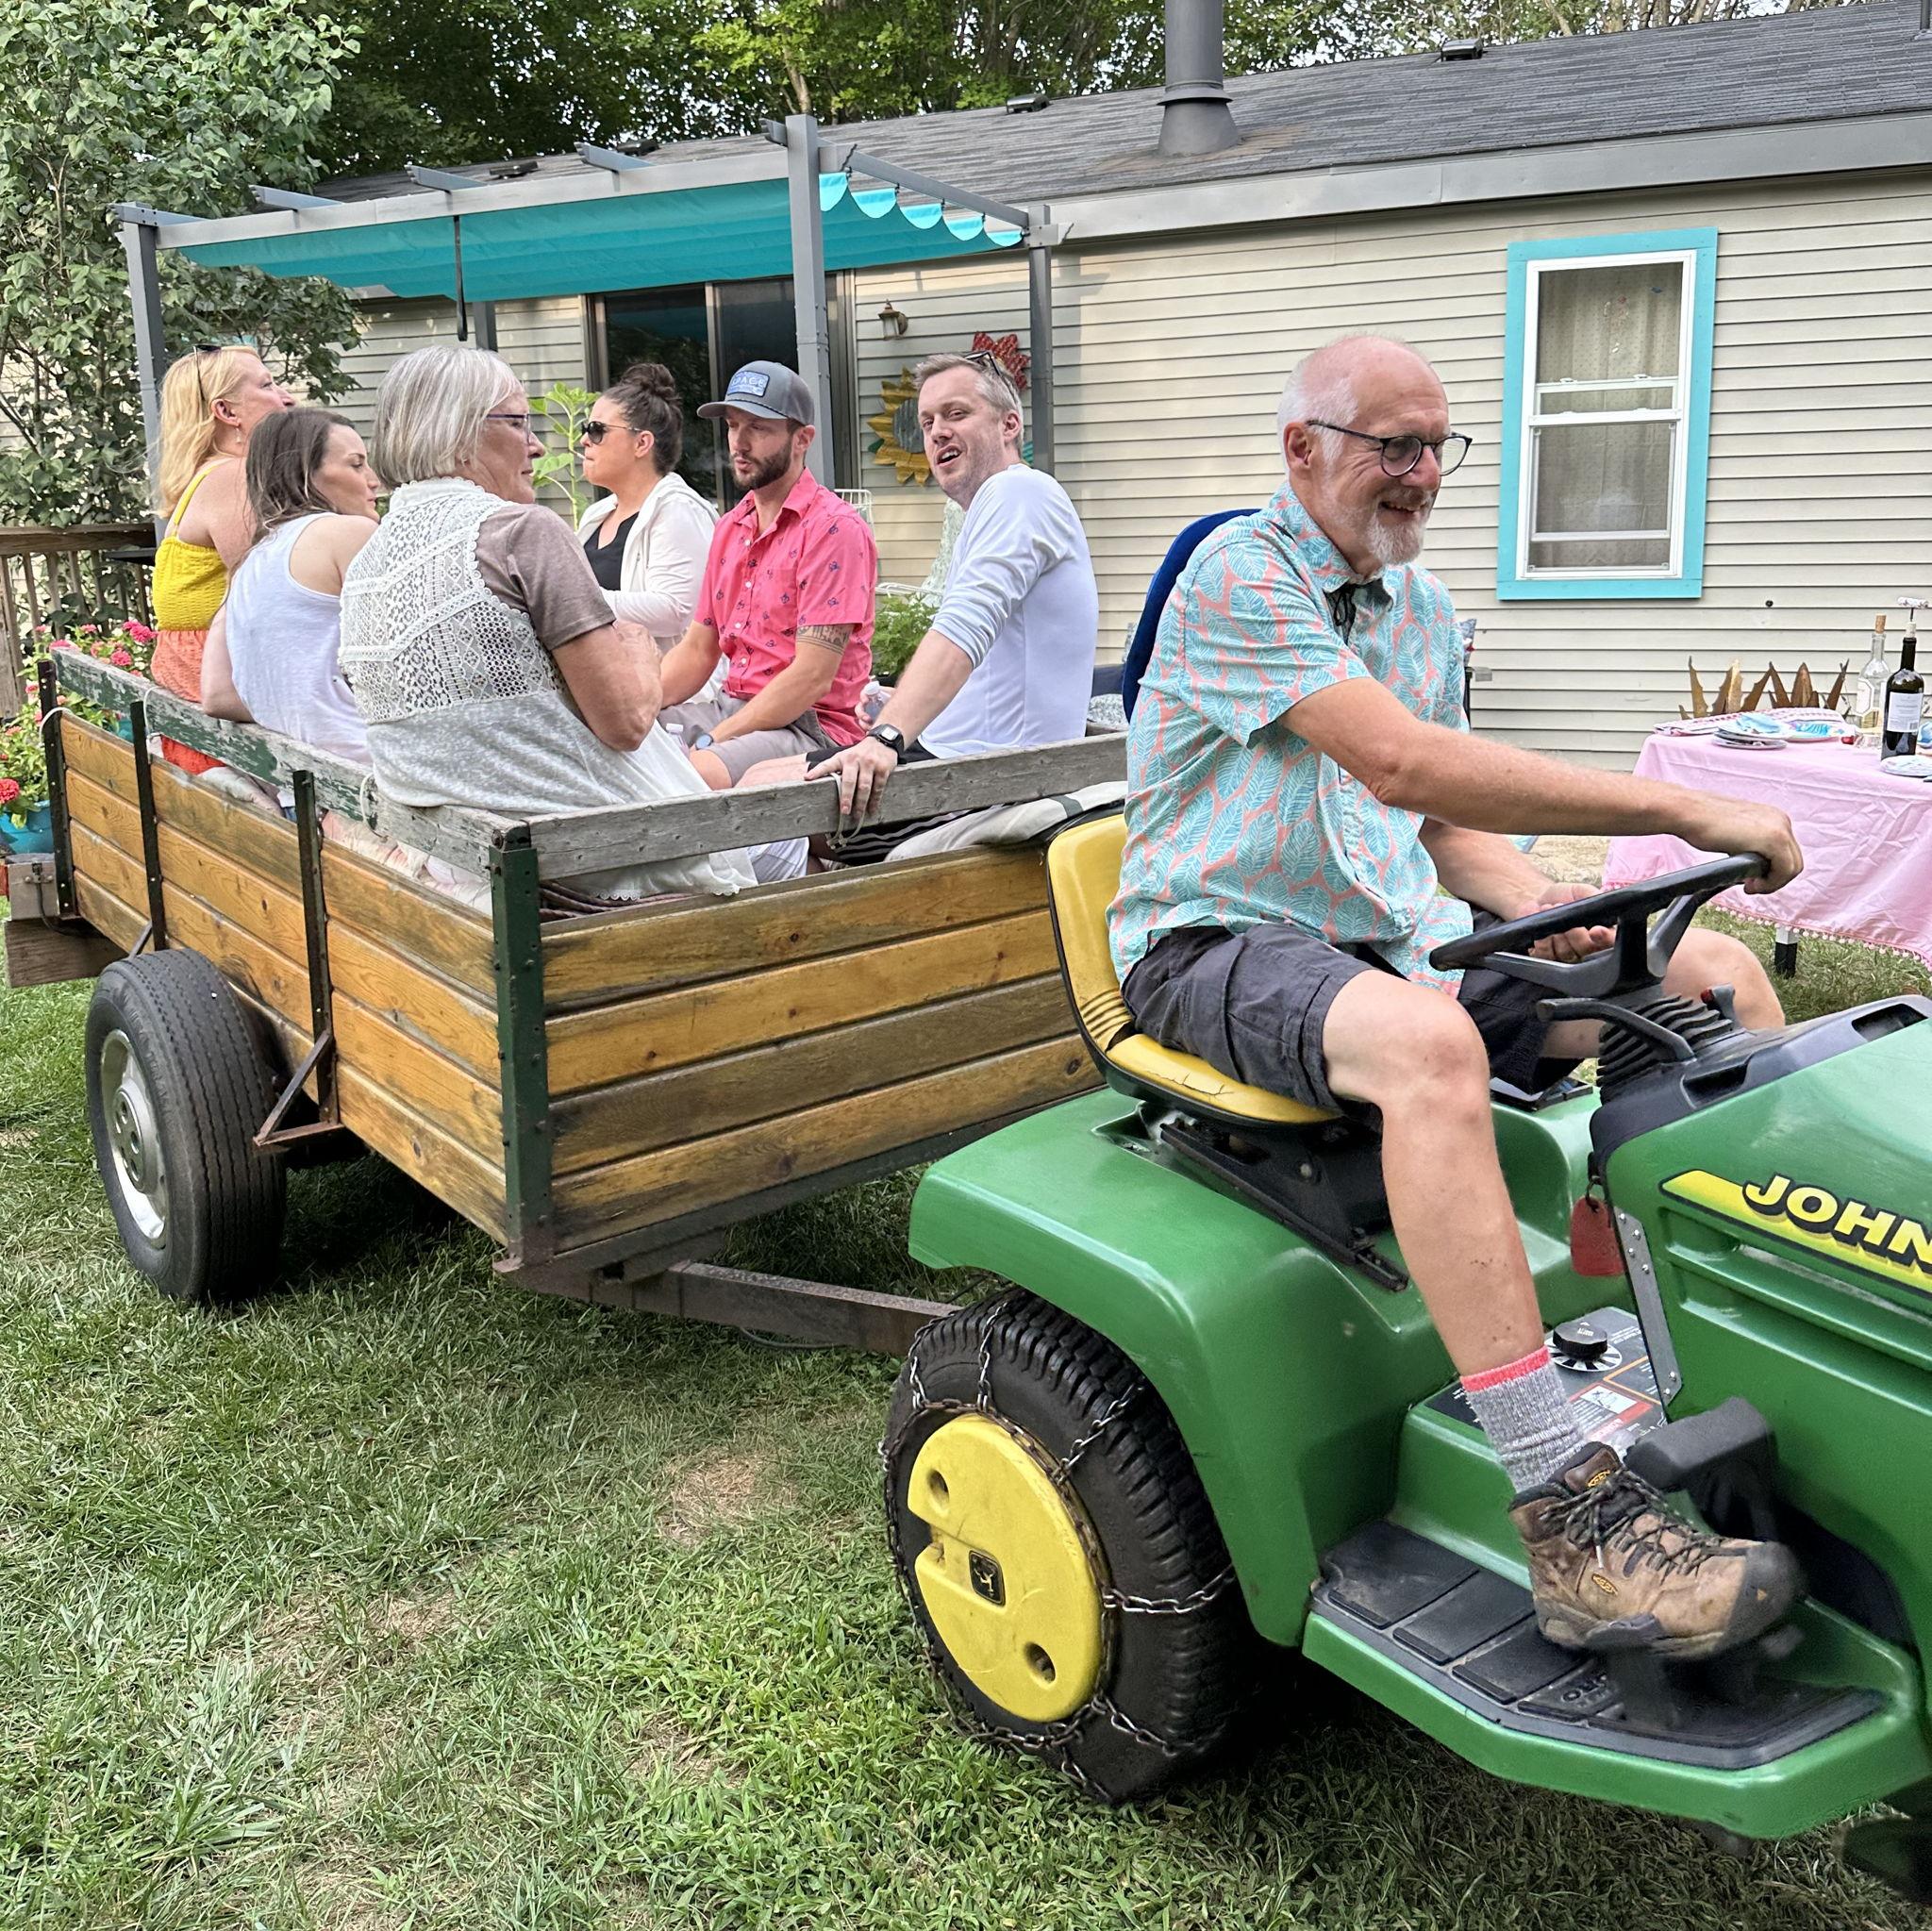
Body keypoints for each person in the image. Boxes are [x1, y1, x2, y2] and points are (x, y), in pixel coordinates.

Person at [1110, 333, 1807, 1662]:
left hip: (1386, 934)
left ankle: (1727, 1359)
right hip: (1218, 941)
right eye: (1394, 445)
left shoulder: (1419, 610)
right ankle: (1568, 1517)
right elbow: (1396, 753)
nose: (1423, 472)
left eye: (1438, 446)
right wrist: (1676, 801)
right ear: (1302, 447)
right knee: (1429, 1042)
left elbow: (1427, 820)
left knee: (1709, 973)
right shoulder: (1238, 575)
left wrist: (1552, 896)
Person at [338, 344, 754, 905]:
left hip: (450, 861)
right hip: (589, 866)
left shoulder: (368, 560)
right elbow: (626, 723)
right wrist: (632, 645)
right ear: (459, 432)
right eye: (517, 422)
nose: (537, 445)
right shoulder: (522, 533)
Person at [787, 351, 1100, 842]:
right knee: (764, 783)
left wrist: (886, 737)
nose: (936, 432)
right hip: (966, 762)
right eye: (927, 422)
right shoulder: (994, 507)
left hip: (985, 783)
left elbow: (963, 630)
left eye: (957, 414)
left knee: (757, 790)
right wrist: (896, 701)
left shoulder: (1018, 493)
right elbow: (998, 666)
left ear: (1009, 424)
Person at [657, 361, 875, 791]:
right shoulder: (730, 527)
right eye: (734, 425)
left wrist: (712, 739)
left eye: (758, 427)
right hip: (733, 710)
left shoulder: (834, 529)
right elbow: (698, 650)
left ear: (802, 440)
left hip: (811, 727)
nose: (739, 441)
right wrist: (635, 708)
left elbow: (811, 678)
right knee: (619, 746)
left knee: (692, 776)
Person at [201, 408, 380, 763]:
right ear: (305, 475)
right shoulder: (349, 533)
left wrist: (299, 709)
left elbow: (217, 694)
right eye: (356, 465)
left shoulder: (250, 560)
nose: (374, 480)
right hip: (366, 769)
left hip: (299, 784)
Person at [150, 344, 294, 772]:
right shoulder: (231, 477)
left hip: (199, 692)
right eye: (267, 385)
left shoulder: (213, 475)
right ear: (227, 412)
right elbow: (266, 597)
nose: (286, 396)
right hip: (221, 694)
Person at [575, 362, 719, 652]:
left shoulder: (679, 510)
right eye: (586, 428)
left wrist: (576, 600)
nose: (584, 440)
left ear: (642, 443)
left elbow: (674, 610)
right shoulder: (596, 515)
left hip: (671, 692)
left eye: (597, 430)